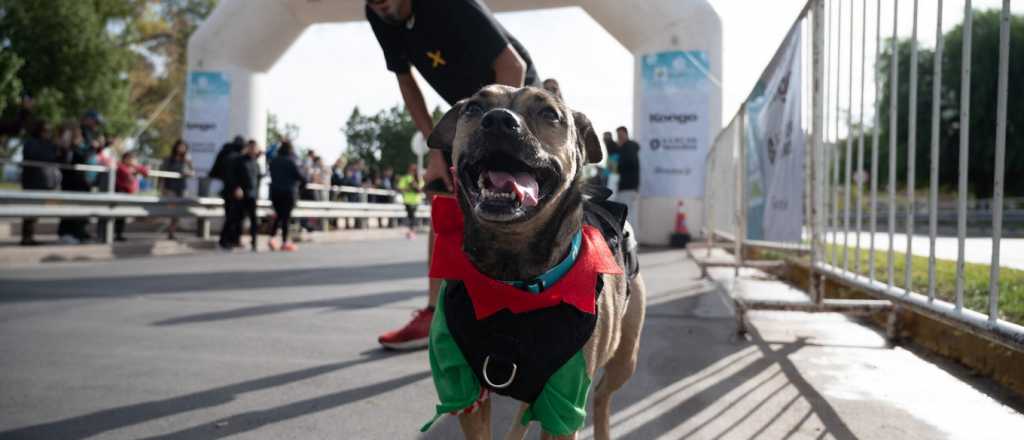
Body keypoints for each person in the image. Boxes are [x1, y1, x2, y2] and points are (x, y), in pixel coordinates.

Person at [366, 0, 539, 349]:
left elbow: (512, 67)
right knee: (442, 196)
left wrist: (497, 144)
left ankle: (529, 310)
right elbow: (406, 81)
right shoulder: (378, 15)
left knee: (512, 202)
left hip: (519, 103)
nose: (378, 2)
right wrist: (434, 147)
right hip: (469, 113)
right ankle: (435, 312)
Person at [19, 120, 61, 246]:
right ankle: (26, 237)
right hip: (32, 183)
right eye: (45, 131)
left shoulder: (48, 144)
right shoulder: (31, 143)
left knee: (35, 213)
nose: (48, 134)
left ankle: (29, 237)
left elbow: (55, 156)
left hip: (42, 183)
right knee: (29, 212)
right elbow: (40, 156)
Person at [268, 141, 305, 252]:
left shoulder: (273, 161)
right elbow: (302, 178)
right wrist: (300, 189)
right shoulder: (291, 162)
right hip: (289, 193)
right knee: (285, 218)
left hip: (275, 192)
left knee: (278, 215)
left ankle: (272, 238)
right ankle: (284, 242)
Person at [211, 136, 244, 249]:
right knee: (232, 217)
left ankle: (230, 240)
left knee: (231, 216)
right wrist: (236, 187)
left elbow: (215, 172)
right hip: (233, 191)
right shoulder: (234, 157)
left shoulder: (224, 153)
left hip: (227, 190)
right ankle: (225, 240)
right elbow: (232, 175)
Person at [229, 140, 262, 252]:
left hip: (252, 195)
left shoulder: (256, 163)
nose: (253, 150)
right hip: (242, 194)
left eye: (255, 148)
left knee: (253, 219)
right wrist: (237, 187)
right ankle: (236, 240)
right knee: (239, 218)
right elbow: (234, 176)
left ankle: (254, 242)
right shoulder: (240, 160)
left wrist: (258, 193)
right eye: (251, 147)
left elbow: (257, 179)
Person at [160, 140, 194, 239]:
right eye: (180, 146)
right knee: (172, 210)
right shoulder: (169, 159)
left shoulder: (186, 160)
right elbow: (162, 173)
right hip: (170, 188)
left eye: (184, 147)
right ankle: (170, 230)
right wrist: (162, 188)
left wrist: (188, 165)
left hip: (181, 188)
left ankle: (172, 231)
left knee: (178, 211)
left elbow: (192, 172)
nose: (182, 149)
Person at [113, 151, 149, 242]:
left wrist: (136, 166)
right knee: (118, 216)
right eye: (130, 158)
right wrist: (134, 168)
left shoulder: (133, 167)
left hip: (129, 195)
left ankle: (119, 234)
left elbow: (146, 172)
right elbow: (126, 175)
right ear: (125, 159)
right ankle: (116, 234)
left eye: (133, 158)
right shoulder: (121, 167)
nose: (132, 160)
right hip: (121, 193)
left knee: (123, 216)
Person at [614, 126, 641, 229]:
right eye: (618, 136)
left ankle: (629, 239)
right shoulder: (627, 148)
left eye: (620, 135)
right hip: (629, 186)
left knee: (626, 214)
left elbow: (628, 164)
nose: (619, 138)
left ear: (626, 134)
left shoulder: (628, 148)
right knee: (628, 214)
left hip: (628, 186)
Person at [397, 163, 423, 239]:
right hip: (408, 200)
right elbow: (400, 187)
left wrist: (415, 185)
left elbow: (421, 188)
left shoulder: (418, 178)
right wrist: (408, 189)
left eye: (414, 170)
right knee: (410, 216)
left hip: (416, 200)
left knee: (412, 216)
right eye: (411, 169)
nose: (412, 171)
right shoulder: (406, 178)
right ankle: (411, 231)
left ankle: (411, 231)